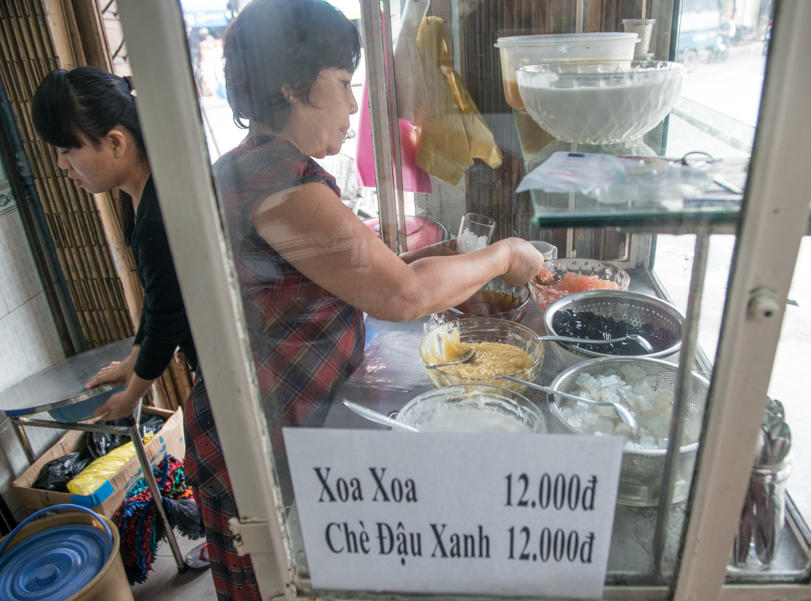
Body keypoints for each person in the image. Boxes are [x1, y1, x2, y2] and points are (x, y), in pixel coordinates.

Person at [184, 0, 545, 598]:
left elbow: (348, 277)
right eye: (343, 83)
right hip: (263, 434)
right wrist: (504, 255)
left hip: (277, 416)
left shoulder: (256, 167)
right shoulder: (281, 183)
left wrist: (444, 258)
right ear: (294, 86)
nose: (354, 105)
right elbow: (400, 296)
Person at [30, 66, 211, 569]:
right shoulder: (146, 194)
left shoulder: (155, 215)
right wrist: (134, 358)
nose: (62, 165)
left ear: (114, 142)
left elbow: (169, 315)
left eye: (67, 149)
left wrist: (134, 392)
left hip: (228, 358)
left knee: (211, 463)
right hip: (212, 352)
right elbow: (160, 296)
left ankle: (234, 547)